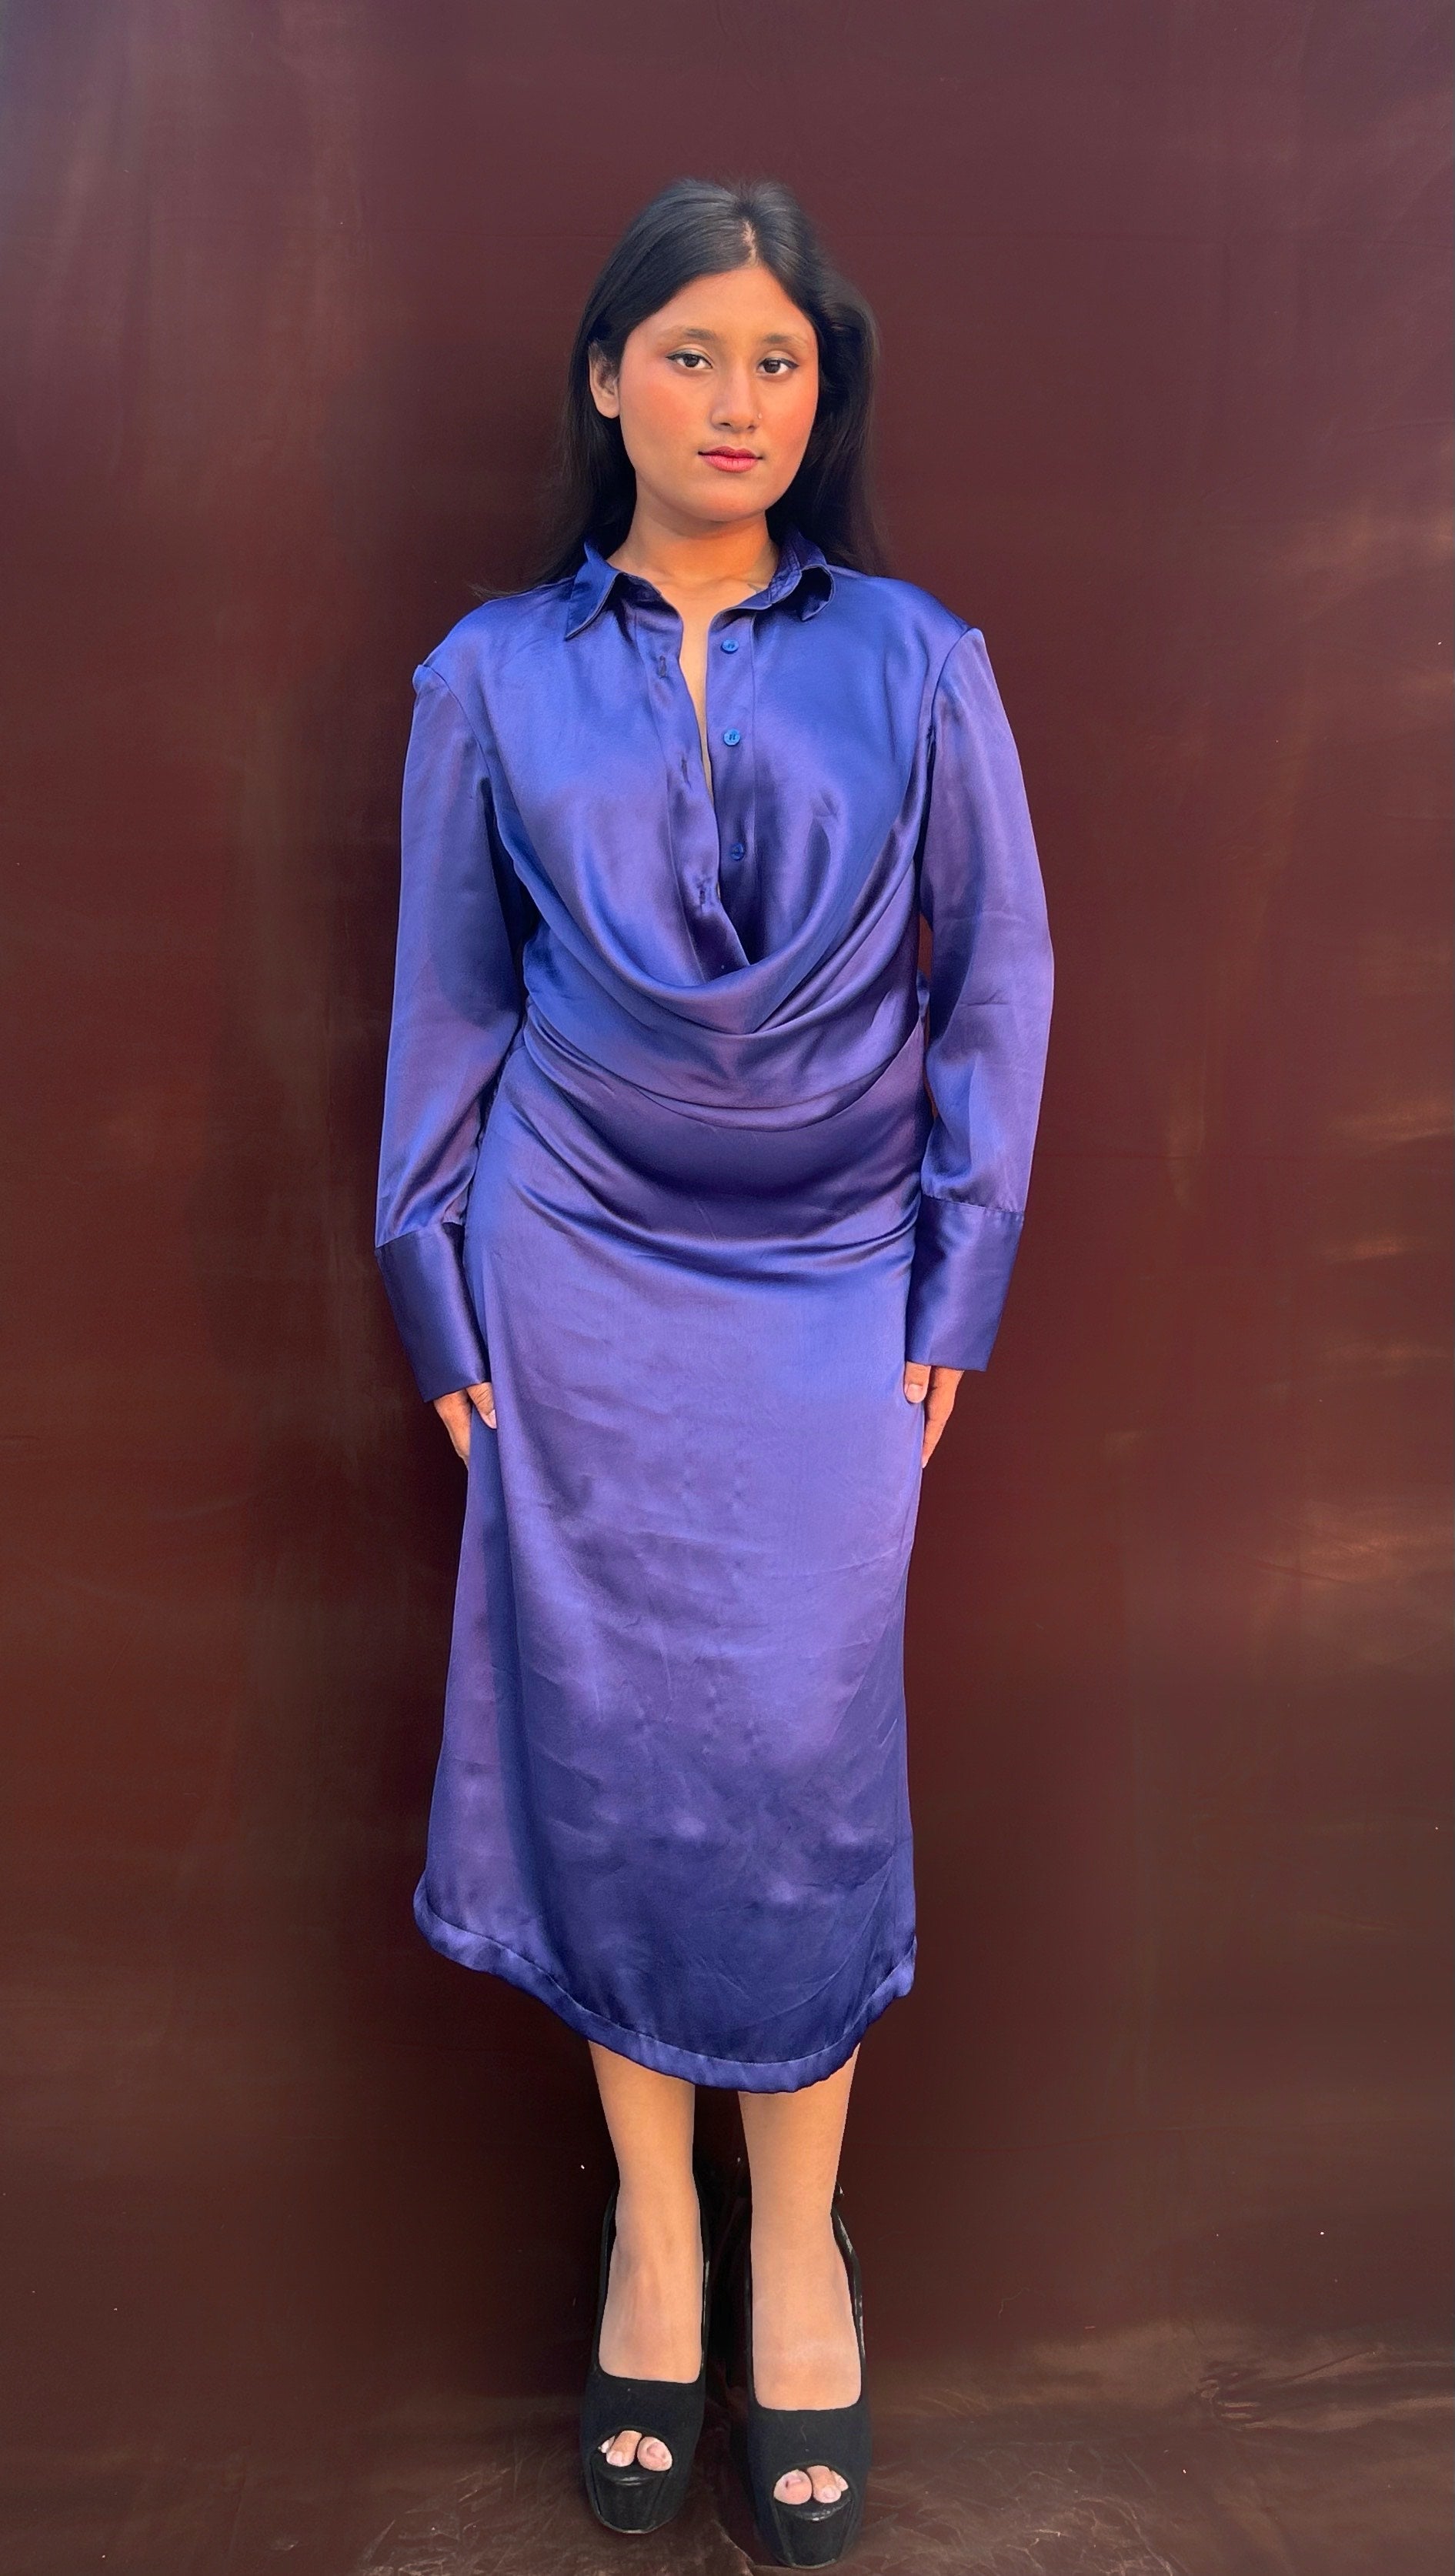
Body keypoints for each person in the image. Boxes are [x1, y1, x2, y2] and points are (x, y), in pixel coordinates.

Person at [374, 175, 1053, 2566]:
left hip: (833, 1281)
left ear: (817, 391)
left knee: (790, 1754)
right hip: (568, 1272)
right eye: (690, 351)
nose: (737, 399)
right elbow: (446, 996)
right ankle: (657, 2239)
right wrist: (435, 1286)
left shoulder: (918, 660)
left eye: (777, 357)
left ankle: (799, 2249)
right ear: (605, 378)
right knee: (608, 1751)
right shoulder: (488, 673)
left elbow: (996, 987)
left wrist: (952, 1287)